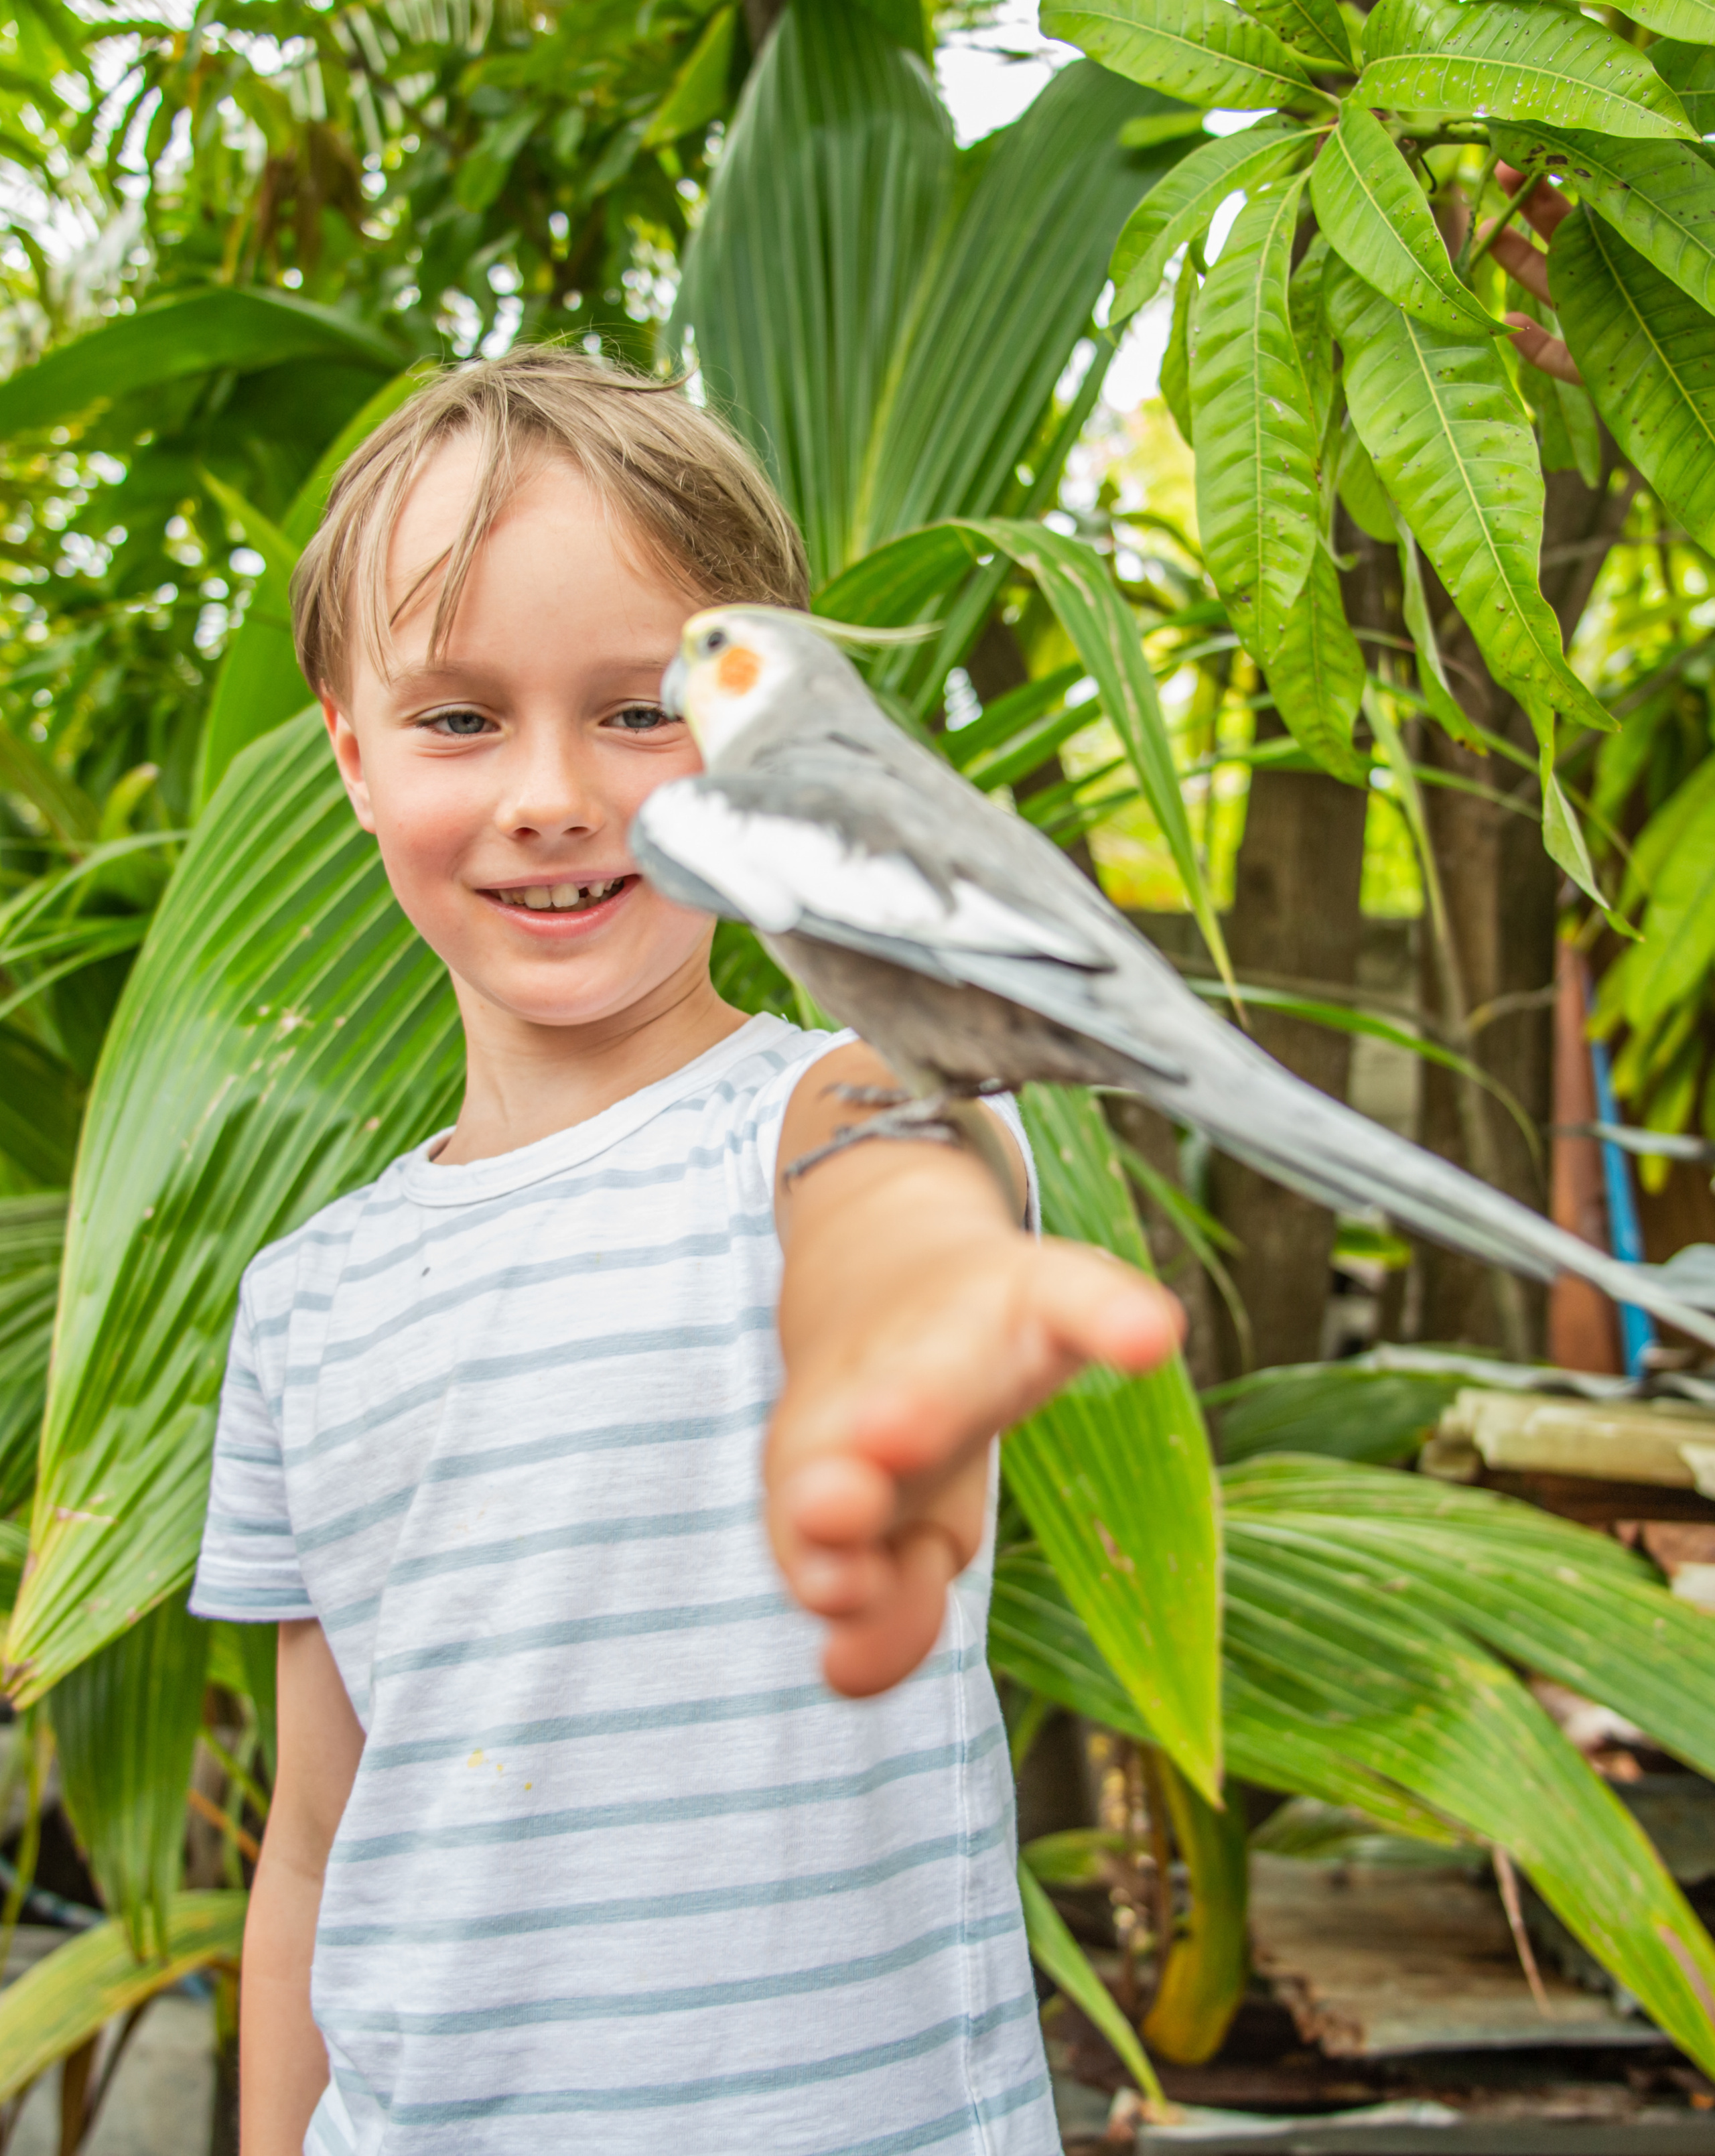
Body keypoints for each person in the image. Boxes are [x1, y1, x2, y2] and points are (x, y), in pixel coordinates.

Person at [190, 346, 1182, 2156]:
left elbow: (888, 1195)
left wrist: (901, 1318)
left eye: (641, 710)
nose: (552, 792)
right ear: (352, 756)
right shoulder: (303, 1305)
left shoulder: (830, 1102)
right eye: (459, 719)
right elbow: (320, 1843)